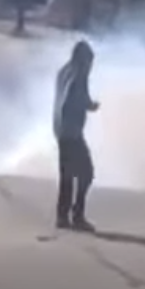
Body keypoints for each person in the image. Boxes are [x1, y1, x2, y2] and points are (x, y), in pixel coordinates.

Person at [53, 41, 100, 231]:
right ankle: (76, 215)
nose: (91, 67)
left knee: (67, 175)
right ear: (83, 60)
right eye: (89, 62)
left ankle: (62, 216)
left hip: (60, 129)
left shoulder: (64, 71)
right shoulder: (79, 74)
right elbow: (76, 98)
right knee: (86, 173)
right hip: (71, 132)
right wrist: (90, 106)